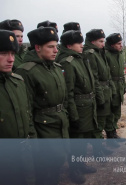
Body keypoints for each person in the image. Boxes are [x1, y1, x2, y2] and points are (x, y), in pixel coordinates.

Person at [15, 26, 69, 185]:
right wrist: (33, 138)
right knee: (44, 167)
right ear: (38, 48)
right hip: (42, 127)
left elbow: (63, 97)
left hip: (59, 122)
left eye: (56, 46)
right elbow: (26, 108)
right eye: (50, 47)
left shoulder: (56, 68)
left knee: (58, 161)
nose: (55, 50)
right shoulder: (27, 71)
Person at [56, 30, 97, 184]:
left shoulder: (80, 59)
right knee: (76, 142)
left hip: (86, 108)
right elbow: (68, 93)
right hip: (78, 109)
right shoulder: (68, 62)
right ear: (68, 45)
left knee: (83, 140)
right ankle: (74, 169)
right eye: (78, 43)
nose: (82, 45)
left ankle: (80, 164)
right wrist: (73, 115)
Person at [0, 29, 36, 185]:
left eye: (13, 54)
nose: (10, 59)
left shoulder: (18, 82)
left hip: (24, 156)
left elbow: (28, 116)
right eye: (3, 53)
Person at [84, 29, 116, 150]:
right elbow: (94, 78)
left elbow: (107, 75)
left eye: (103, 41)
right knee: (99, 123)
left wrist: (112, 91)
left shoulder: (99, 53)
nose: (103, 44)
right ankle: (98, 149)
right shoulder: (91, 54)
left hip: (105, 91)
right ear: (93, 42)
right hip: (100, 93)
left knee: (103, 120)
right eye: (100, 41)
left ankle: (100, 146)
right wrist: (100, 98)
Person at [105, 33, 126, 138]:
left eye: (121, 43)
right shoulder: (106, 55)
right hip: (111, 86)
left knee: (117, 110)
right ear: (112, 45)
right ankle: (110, 133)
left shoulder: (120, 54)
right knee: (110, 111)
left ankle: (114, 130)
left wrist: (124, 86)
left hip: (120, 86)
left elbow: (122, 73)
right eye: (118, 44)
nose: (121, 45)